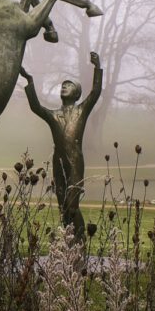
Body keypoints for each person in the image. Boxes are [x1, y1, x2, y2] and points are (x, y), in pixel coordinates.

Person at [20, 52, 102, 243]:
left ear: (77, 93)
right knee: (63, 207)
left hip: (75, 164)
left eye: (69, 85)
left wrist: (97, 67)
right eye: (63, 85)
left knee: (72, 206)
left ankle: (80, 239)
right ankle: (68, 241)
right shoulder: (53, 115)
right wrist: (29, 80)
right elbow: (36, 107)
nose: (64, 87)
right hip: (59, 165)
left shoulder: (81, 111)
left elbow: (96, 92)